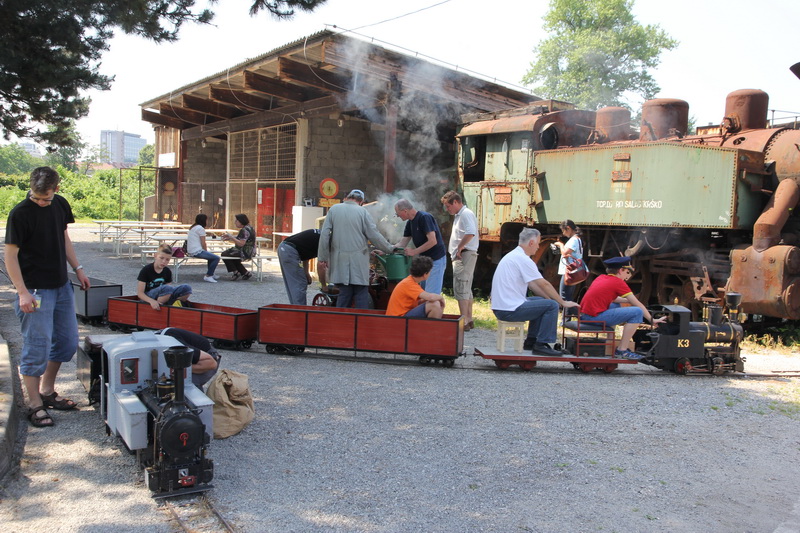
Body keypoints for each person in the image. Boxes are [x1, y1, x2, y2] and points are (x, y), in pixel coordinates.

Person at [4, 166, 89, 427]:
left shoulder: (59, 204)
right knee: (36, 346)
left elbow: (63, 238)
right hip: (35, 291)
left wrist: (78, 268)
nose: (41, 202)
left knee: (66, 343)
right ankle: (34, 403)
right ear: (31, 188)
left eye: (46, 198)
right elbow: (9, 256)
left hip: (61, 285)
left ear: (57, 190)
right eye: (37, 197)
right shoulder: (20, 213)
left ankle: (47, 391)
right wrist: (22, 292)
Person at [491, 227, 580, 356]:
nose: (538, 247)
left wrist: (548, 299)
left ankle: (531, 341)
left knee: (546, 303)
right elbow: (543, 283)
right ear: (531, 243)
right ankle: (542, 344)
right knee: (552, 305)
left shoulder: (514, 255)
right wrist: (562, 302)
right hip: (509, 309)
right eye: (538, 243)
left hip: (503, 306)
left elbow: (532, 285)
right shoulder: (523, 259)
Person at [318, 189, 394, 309]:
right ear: (361, 201)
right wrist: (389, 248)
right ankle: (361, 323)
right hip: (358, 261)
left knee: (344, 293)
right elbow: (374, 235)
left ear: (347, 198)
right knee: (361, 293)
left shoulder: (334, 209)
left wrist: (322, 257)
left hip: (340, 260)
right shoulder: (363, 212)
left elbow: (325, 234)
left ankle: (341, 323)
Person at [579, 256, 666, 359]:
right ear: (621, 270)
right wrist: (652, 320)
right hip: (592, 318)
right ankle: (622, 350)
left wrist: (626, 300)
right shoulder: (618, 282)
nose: (627, 275)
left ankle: (610, 343)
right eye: (627, 272)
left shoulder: (602, 277)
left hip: (584, 315)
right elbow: (638, 304)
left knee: (615, 305)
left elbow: (613, 299)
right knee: (637, 312)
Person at [441, 191, 479, 330]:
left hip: (464, 254)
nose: (447, 209)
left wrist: (460, 247)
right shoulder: (461, 214)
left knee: (461, 287)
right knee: (466, 287)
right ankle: (469, 318)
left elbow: (470, 232)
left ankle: (464, 321)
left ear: (456, 202)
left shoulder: (465, 214)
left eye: (448, 205)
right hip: (465, 254)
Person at [392, 198, 447, 295]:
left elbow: (433, 241)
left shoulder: (424, 217)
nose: (397, 216)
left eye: (398, 213)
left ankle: (435, 309)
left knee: (431, 294)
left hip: (436, 260)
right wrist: (386, 250)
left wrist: (414, 251)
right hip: (425, 262)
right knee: (423, 293)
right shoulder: (410, 223)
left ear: (405, 210)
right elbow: (402, 243)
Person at [156, 328, 221, 389]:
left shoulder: (176, 347)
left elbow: (212, 364)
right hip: (200, 354)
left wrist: (175, 368)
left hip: (207, 359)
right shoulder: (159, 340)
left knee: (187, 385)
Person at [278, 228, 328, 305]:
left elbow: (305, 253)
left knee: (295, 284)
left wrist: (306, 273)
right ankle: (300, 312)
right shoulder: (325, 242)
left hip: (285, 248)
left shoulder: (320, 236)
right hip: (290, 251)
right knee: (299, 283)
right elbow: (321, 265)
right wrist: (324, 285)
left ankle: (296, 309)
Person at [137, 244, 193, 309]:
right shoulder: (146, 270)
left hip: (164, 294)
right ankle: (160, 309)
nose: (164, 261)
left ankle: (175, 305)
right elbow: (140, 294)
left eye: (167, 260)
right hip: (148, 297)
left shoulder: (167, 271)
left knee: (186, 288)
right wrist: (152, 301)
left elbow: (168, 291)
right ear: (155, 256)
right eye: (161, 258)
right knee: (167, 288)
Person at [554, 219, 587, 322]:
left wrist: (560, 245)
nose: (563, 233)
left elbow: (565, 253)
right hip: (574, 271)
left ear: (568, 228)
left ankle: (581, 316)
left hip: (569, 271)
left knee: (563, 296)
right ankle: (566, 320)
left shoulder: (573, 240)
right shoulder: (578, 239)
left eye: (563, 231)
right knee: (568, 295)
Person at [187, 213, 221, 283]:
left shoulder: (193, 227)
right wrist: (206, 251)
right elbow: (203, 243)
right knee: (216, 258)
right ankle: (208, 276)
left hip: (191, 250)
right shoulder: (200, 228)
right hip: (196, 250)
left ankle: (211, 273)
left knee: (211, 257)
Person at [221, 213, 256, 280]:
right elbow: (242, 238)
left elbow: (241, 243)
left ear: (241, 221)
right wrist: (229, 237)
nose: (235, 222)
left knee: (225, 254)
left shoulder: (244, 230)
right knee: (232, 256)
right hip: (251, 250)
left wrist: (231, 237)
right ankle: (245, 273)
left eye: (236, 221)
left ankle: (236, 272)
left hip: (245, 251)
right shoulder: (250, 228)